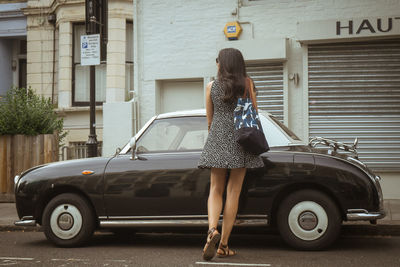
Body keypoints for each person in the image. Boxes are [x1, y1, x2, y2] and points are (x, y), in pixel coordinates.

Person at [198, 48, 264, 261]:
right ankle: (224, 245)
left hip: (217, 138)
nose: (216, 64)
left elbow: (209, 120)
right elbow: (253, 112)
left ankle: (211, 231)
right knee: (233, 191)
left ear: (222, 63)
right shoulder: (248, 84)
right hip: (240, 139)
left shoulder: (211, 87)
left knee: (215, 189)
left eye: (218, 61)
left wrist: (216, 139)